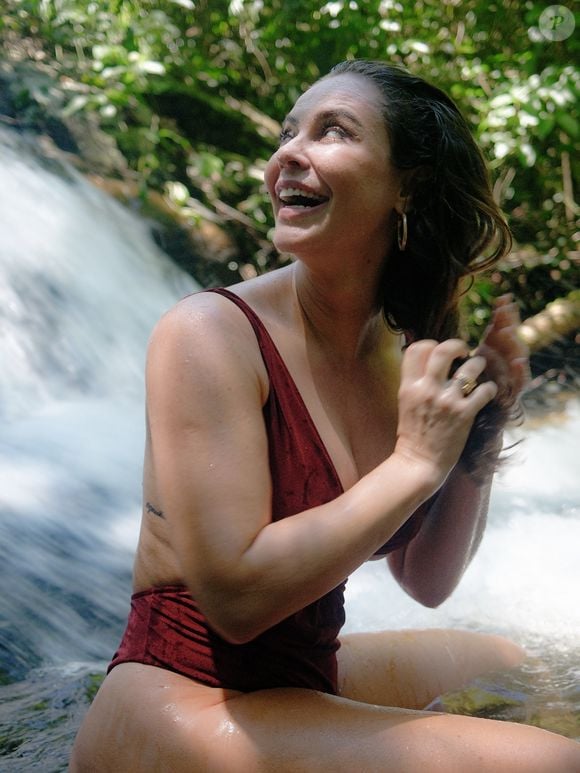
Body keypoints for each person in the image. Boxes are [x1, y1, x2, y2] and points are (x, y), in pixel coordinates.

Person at [70, 60, 580, 771]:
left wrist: (479, 433)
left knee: (514, 665)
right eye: (287, 133)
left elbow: (426, 580)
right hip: (181, 703)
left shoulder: (399, 351)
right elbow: (238, 601)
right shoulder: (208, 333)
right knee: (552, 762)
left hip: (300, 680)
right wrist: (414, 462)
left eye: (332, 131)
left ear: (408, 184)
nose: (287, 154)